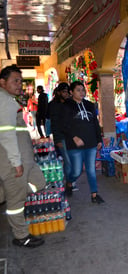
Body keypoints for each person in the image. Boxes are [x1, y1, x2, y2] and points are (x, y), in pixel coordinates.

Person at [0, 65, 46, 248]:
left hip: (24, 161)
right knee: (16, 202)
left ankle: (7, 193)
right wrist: (16, 162)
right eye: (15, 81)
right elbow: (7, 134)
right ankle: (21, 236)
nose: (19, 85)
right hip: (14, 163)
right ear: (2, 82)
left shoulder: (9, 100)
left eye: (20, 81)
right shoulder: (4, 101)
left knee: (39, 183)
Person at [63, 81, 104, 204]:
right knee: (77, 171)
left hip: (90, 142)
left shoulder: (90, 105)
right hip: (74, 144)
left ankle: (94, 194)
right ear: (71, 92)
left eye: (83, 90)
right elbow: (63, 126)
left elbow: (95, 123)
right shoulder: (66, 106)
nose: (82, 92)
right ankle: (69, 183)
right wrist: (74, 137)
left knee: (91, 170)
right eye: (78, 90)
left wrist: (99, 139)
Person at [47, 82, 78, 191]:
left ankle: (70, 181)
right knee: (68, 160)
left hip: (72, 136)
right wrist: (57, 139)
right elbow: (54, 124)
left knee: (73, 160)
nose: (66, 94)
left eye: (67, 92)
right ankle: (70, 182)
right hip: (62, 137)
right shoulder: (53, 105)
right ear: (59, 92)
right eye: (64, 92)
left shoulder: (70, 103)